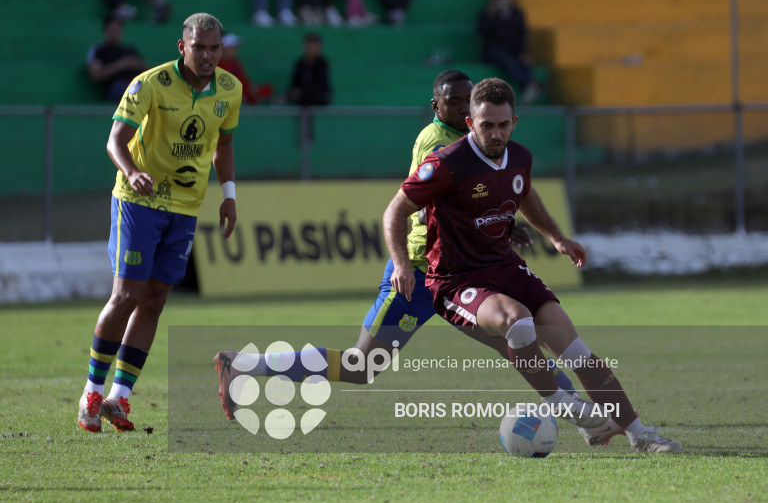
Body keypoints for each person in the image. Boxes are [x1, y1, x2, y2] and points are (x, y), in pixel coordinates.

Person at [215, 70, 625, 448]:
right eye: (455, 102)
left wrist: (509, 218)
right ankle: (245, 365)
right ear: (438, 106)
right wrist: (402, 263)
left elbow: (504, 186)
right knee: (362, 365)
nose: (464, 108)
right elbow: (428, 200)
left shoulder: (484, 142)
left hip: (466, 271)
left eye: (469, 100)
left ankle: (591, 422)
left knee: (518, 340)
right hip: (419, 271)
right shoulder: (439, 144)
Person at [383, 77, 683, 453]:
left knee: (577, 352)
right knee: (517, 320)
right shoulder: (446, 163)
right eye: (486, 124)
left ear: (515, 122)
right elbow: (394, 211)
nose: (495, 133)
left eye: (503, 125)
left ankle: (640, 434)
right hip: (456, 280)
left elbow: (524, 196)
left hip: (505, 267)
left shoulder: (520, 157)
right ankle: (564, 405)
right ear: (471, 121)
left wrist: (557, 237)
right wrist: (401, 265)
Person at [77, 12, 243, 433]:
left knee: (155, 299)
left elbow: (223, 143)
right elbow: (114, 139)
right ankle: (91, 393)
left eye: (214, 48)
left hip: (186, 207)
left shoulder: (230, 88)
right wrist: (132, 171)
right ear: (181, 46)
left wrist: (228, 195)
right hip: (138, 199)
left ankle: (120, 398)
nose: (207, 55)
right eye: (199, 47)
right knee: (126, 295)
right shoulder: (149, 83)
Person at [478, 0, 541, 106]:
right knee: (506, 60)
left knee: (523, 61)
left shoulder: (517, 13)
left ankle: (528, 88)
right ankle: (530, 84)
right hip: (493, 50)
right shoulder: (489, 12)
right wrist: (491, 16)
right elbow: (483, 32)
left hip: (513, 50)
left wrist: (523, 52)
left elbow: (521, 35)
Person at [86, 14, 149, 102]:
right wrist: (121, 64)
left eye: (117, 30)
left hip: (136, 82)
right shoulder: (99, 50)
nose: (115, 33)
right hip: (117, 86)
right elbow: (96, 75)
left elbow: (147, 70)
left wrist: (137, 63)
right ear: (105, 31)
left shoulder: (129, 49)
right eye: (112, 30)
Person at [218, 33, 275, 105]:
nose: (236, 49)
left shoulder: (235, 62)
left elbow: (245, 80)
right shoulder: (217, 63)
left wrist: (251, 88)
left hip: (243, 92)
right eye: (233, 47)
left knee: (268, 88)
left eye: (236, 47)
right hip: (228, 94)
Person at [286, 31, 331, 106]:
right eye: (308, 46)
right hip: (302, 95)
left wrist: (302, 92)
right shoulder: (299, 63)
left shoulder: (322, 63)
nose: (310, 49)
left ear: (319, 47)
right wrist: (293, 92)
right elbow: (294, 83)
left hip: (318, 95)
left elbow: (321, 84)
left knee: (310, 96)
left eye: (313, 46)